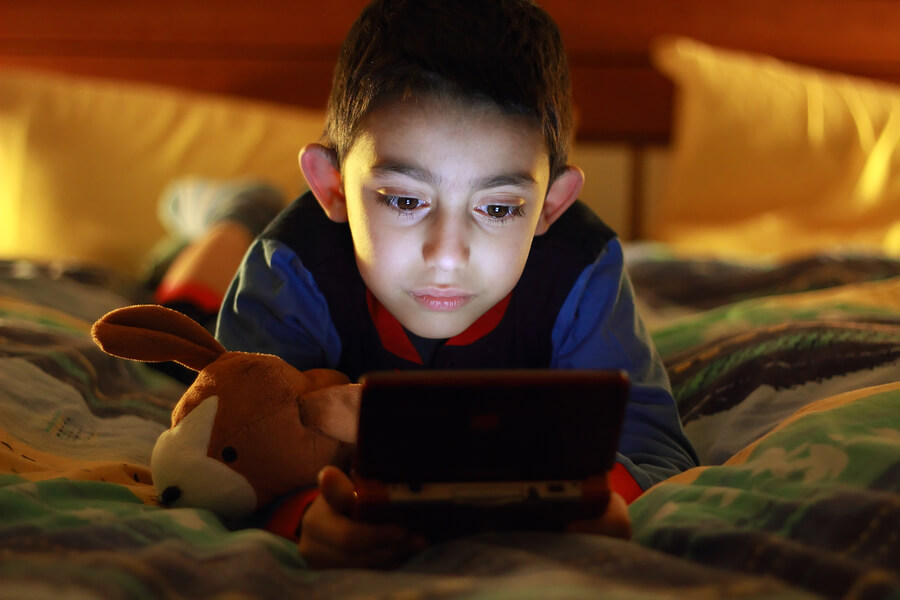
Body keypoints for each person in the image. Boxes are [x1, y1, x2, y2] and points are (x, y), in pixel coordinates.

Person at [208, 0, 698, 569]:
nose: (446, 256)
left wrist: (606, 498)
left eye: (498, 208)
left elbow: (654, 446)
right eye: (406, 200)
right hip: (247, 255)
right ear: (334, 187)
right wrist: (304, 514)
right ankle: (230, 211)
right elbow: (229, 445)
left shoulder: (583, 269)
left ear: (551, 206)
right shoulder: (287, 269)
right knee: (186, 299)